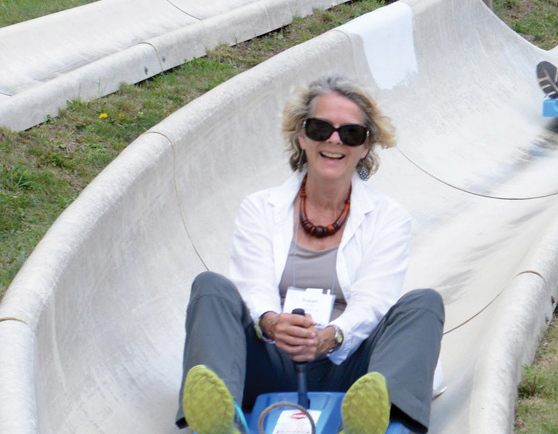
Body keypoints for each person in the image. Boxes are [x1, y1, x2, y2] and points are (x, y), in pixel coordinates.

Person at [177, 76, 444, 434]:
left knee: (424, 304)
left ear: (365, 147)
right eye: (321, 128)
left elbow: (373, 302)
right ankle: (222, 424)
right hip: (273, 359)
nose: (334, 140)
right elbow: (252, 286)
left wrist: (332, 336)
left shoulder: (388, 217)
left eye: (350, 133)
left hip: (348, 367)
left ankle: (381, 426)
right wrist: (271, 322)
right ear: (301, 137)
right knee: (210, 287)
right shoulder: (259, 208)